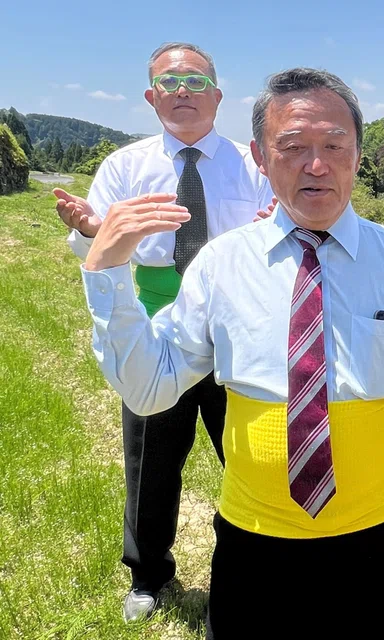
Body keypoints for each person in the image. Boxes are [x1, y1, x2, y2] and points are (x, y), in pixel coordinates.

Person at [78, 67, 384, 638]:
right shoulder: (222, 264)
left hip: (382, 537)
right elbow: (150, 387)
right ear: (260, 157)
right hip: (254, 539)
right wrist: (107, 273)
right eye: (293, 147)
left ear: (359, 153)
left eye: (335, 145)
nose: (317, 164)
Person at [52, 42, 273, 621]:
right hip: (154, 327)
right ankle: (149, 574)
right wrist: (88, 230)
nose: (183, 92)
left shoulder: (253, 163)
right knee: (150, 460)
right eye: (169, 82)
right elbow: (94, 247)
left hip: (235, 328)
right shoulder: (125, 167)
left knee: (251, 454)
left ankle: (260, 562)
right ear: (151, 97)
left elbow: (280, 234)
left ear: (218, 96)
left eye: (196, 82)